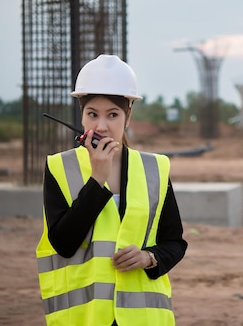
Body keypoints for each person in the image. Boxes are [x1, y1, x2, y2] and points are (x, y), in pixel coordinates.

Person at [36, 54, 188, 326]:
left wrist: (148, 257)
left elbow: (174, 242)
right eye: (92, 114)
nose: (102, 126)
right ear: (81, 116)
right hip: (86, 318)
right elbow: (63, 243)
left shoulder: (154, 168)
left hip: (144, 319)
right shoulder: (59, 167)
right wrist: (97, 179)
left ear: (128, 117)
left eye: (113, 115)